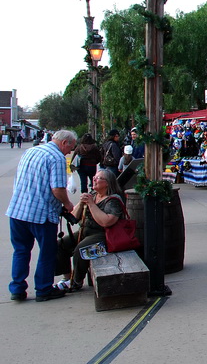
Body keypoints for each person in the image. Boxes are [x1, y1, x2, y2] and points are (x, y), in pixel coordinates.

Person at [7, 129, 77, 302]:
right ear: (64, 143)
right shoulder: (57, 158)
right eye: (71, 148)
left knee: (21, 251)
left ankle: (17, 288)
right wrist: (68, 205)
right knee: (47, 252)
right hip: (41, 214)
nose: (70, 152)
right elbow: (57, 189)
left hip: (17, 210)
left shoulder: (31, 151)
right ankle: (44, 288)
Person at [54, 170, 125, 292]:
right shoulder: (93, 194)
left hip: (103, 235)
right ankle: (67, 277)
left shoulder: (112, 200)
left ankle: (76, 281)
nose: (94, 180)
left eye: (98, 178)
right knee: (59, 245)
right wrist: (81, 203)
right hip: (85, 231)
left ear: (107, 183)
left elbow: (106, 222)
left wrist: (91, 204)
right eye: (94, 177)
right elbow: (74, 217)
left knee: (81, 249)